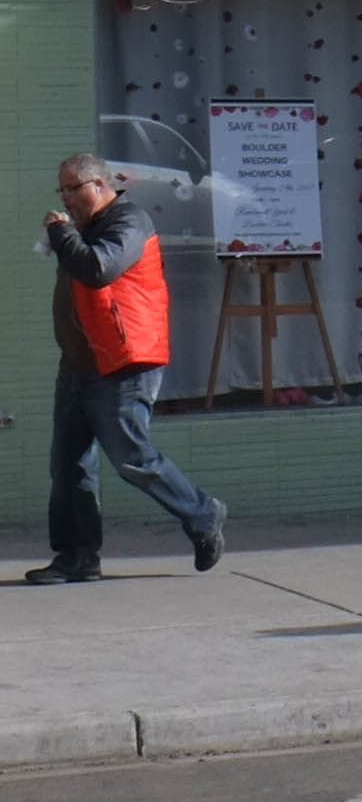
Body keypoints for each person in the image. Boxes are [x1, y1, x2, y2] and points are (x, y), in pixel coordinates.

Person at [27, 154, 227, 584]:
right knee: (69, 465)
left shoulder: (129, 221)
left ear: (100, 185)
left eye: (73, 188)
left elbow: (99, 269)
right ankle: (76, 557)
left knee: (131, 458)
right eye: (61, 190)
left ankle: (203, 512)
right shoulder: (82, 227)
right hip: (79, 363)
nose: (66, 198)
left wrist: (62, 232)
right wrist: (65, 234)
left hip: (123, 361)